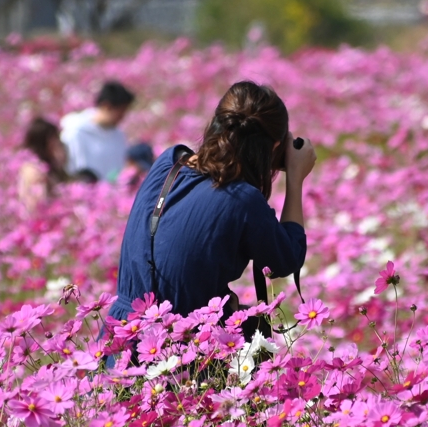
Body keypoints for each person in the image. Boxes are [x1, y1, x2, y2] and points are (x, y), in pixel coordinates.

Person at [106, 80, 315, 331]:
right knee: (253, 329)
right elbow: (285, 260)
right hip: (182, 342)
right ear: (274, 146)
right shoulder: (242, 199)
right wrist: (295, 178)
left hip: (122, 334)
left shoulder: (168, 162)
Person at [60, 80, 135, 183]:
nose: (122, 117)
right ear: (106, 106)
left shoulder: (118, 135)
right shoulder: (76, 132)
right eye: (121, 112)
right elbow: (73, 169)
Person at [18, 117, 69, 210]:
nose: (58, 142)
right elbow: (38, 206)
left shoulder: (45, 167)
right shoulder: (36, 171)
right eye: (55, 138)